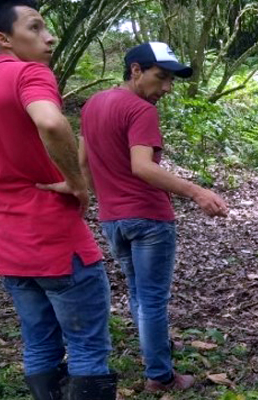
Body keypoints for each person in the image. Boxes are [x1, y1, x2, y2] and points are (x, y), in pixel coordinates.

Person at [0, 1, 116, 399]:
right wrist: (76, 182)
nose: (49, 36)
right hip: (58, 242)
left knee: (40, 345)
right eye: (36, 27)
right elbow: (49, 121)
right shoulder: (30, 73)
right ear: (3, 38)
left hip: (10, 248)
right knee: (87, 349)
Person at [78, 42, 228, 393]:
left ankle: (155, 355)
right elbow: (142, 167)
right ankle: (160, 375)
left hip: (113, 219)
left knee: (137, 293)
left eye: (170, 80)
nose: (166, 88)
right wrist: (198, 192)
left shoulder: (92, 105)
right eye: (160, 78)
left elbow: (84, 164)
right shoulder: (140, 110)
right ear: (135, 71)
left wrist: (105, 201)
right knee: (152, 299)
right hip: (148, 219)